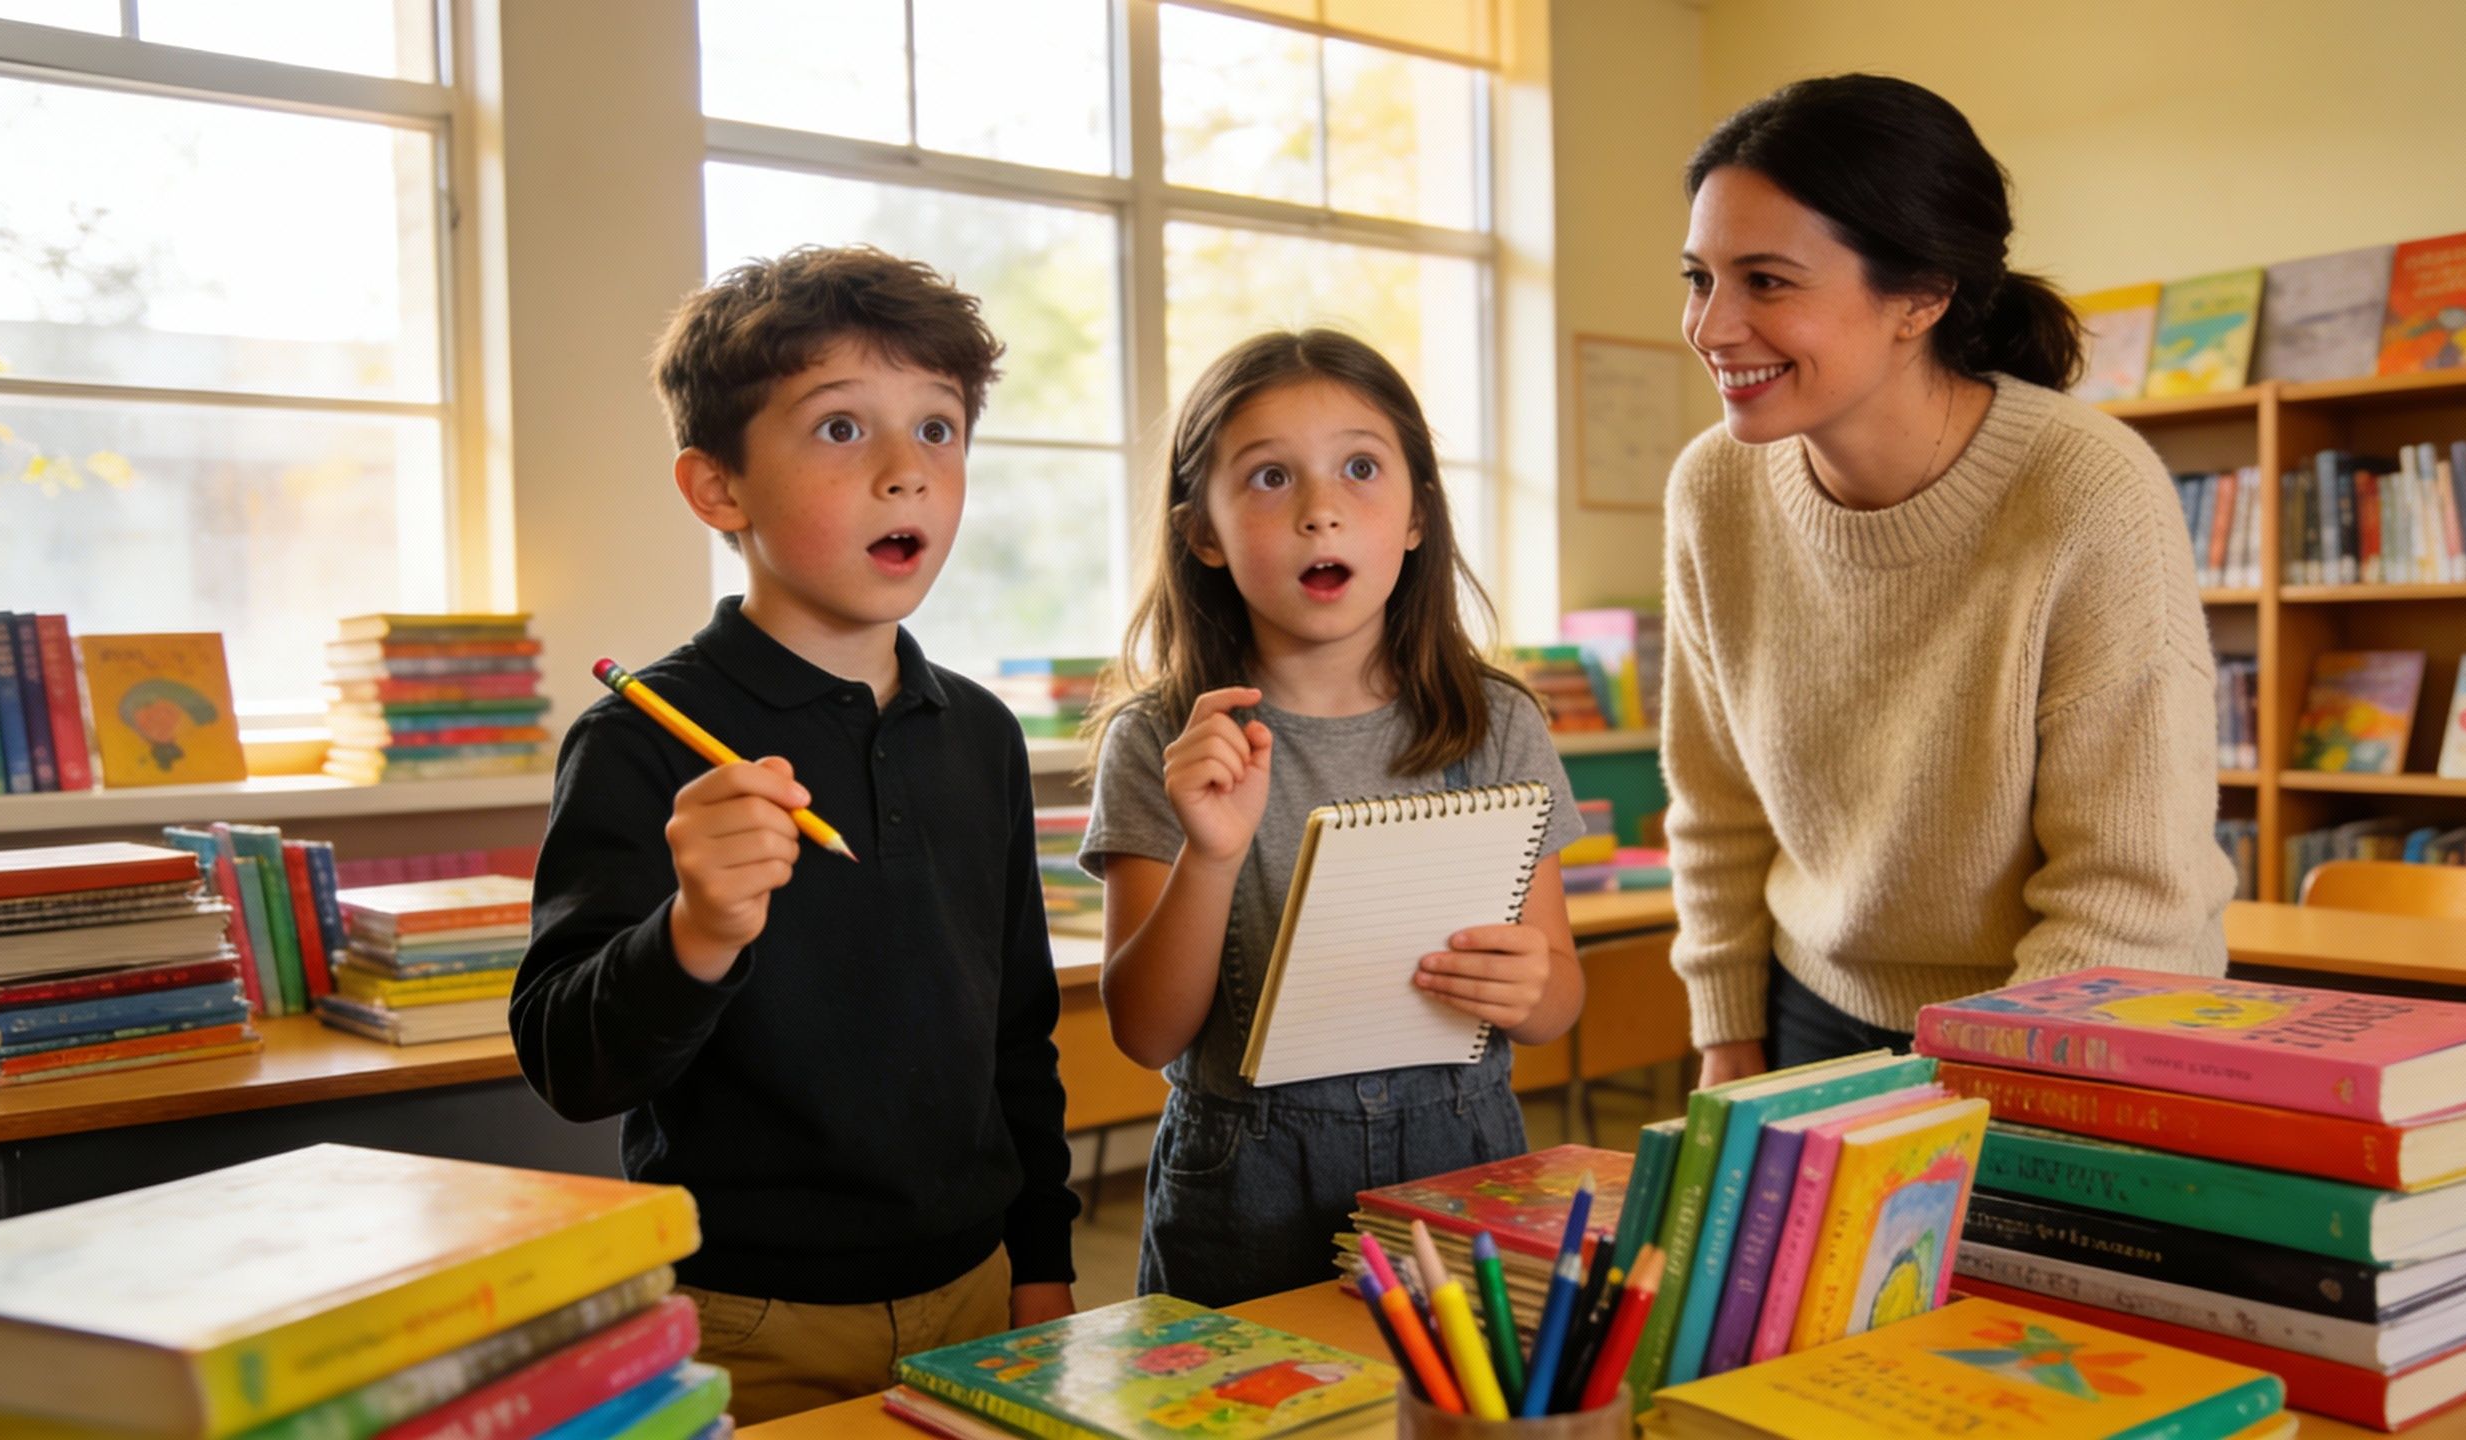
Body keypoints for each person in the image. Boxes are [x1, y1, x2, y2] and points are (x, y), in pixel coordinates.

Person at [512, 246, 1078, 1422]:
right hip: (747, 1314)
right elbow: (569, 1062)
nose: (903, 473)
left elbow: (1017, 1029)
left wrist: (1041, 1258)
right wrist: (696, 930)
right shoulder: (637, 741)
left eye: (937, 428)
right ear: (718, 489)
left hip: (978, 1287)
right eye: (838, 431)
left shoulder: (978, 731)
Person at [1661, 74, 2236, 1089]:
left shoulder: (2088, 489)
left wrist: (1987, 1086)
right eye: (1698, 278)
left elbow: (2129, 887)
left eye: (1767, 281)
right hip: (1815, 1009)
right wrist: (1724, 1034)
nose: (1711, 328)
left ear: (1920, 296)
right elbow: (1716, 803)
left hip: (2078, 1013)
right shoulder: (1713, 487)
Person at [1080, 328, 1586, 1307]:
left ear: (1414, 518)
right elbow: (1145, 1032)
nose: (1320, 511)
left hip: (1463, 1166)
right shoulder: (1161, 740)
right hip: (1243, 1184)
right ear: (1204, 534)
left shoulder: (1497, 723)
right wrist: (1210, 853)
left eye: (1360, 467)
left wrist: (1531, 986)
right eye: (1269, 478)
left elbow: (1558, 1004)